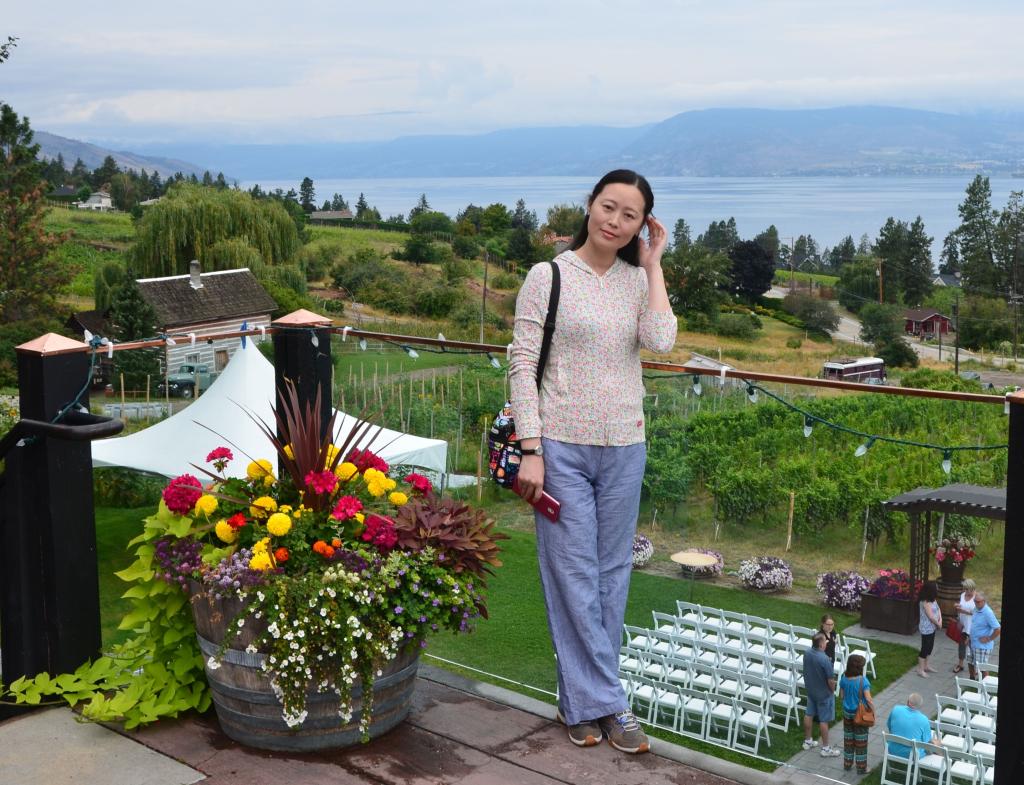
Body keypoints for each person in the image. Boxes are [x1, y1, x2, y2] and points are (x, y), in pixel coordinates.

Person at [509, 170, 676, 753]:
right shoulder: (548, 275)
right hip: (560, 447)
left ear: (642, 225)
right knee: (573, 574)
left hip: (626, 446)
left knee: (611, 576)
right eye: (609, 207)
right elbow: (522, 365)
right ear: (589, 206)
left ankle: (580, 703)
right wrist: (531, 449)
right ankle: (613, 705)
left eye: (630, 215)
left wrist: (653, 266)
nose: (615, 221)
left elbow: (661, 340)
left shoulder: (636, 281)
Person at [802, 632, 841, 757]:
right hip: (824, 693)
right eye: (825, 641)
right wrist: (832, 690)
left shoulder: (807, 653)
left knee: (809, 714)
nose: (827, 642)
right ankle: (826, 748)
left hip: (811, 690)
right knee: (824, 720)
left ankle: (807, 741)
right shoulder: (824, 659)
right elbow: (830, 680)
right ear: (821, 644)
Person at [838, 654, 873, 774]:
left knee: (848, 740)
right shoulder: (863, 681)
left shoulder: (844, 679)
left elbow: (841, 696)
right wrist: (872, 710)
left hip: (847, 713)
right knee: (860, 742)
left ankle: (847, 764)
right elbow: (868, 699)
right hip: (860, 715)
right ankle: (861, 768)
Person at [886, 693, 938, 758]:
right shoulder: (924, 719)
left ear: (908, 701)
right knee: (936, 742)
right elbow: (927, 742)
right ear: (919, 706)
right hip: (912, 755)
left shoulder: (896, 709)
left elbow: (889, 726)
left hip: (892, 749)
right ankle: (944, 759)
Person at [968, 590, 1001, 680]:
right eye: (975, 601)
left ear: (984, 601)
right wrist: (969, 638)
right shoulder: (976, 609)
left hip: (982, 646)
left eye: (978, 602)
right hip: (972, 642)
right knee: (970, 662)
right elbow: (974, 624)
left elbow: (998, 629)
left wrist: (989, 638)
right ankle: (972, 680)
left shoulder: (988, 613)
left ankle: (985, 684)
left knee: (982, 667)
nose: (976, 603)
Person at [917, 581, 942, 678]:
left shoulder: (933, 599)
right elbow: (930, 616)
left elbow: (938, 610)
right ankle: (920, 670)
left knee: (930, 647)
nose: (938, 589)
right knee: (925, 648)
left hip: (932, 627)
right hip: (926, 629)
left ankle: (926, 666)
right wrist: (938, 624)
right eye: (936, 587)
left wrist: (940, 621)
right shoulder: (925, 602)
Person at [953, 578, 976, 674]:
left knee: (972, 647)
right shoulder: (963, 595)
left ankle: (975, 668)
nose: (965, 591)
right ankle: (960, 664)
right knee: (961, 645)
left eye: (967, 589)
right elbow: (961, 606)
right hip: (963, 625)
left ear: (972, 588)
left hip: (972, 626)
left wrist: (963, 611)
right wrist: (957, 606)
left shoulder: (976, 598)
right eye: (964, 589)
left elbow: (977, 613)